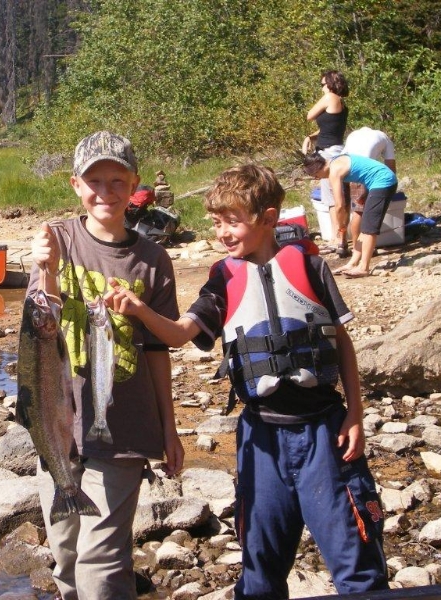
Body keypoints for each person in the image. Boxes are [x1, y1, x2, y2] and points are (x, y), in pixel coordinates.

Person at [105, 164, 388, 600]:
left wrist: (356, 413)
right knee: (259, 571)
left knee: (358, 566)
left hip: (324, 432)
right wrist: (140, 310)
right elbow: (181, 334)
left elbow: (342, 342)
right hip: (262, 438)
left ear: (269, 219)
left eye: (233, 221)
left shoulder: (311, 266)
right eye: (217, 222)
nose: (223, 233)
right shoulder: (224, 278)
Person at [28, 130, 185, 600]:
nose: (106, 192)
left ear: (136, 184)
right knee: (66, 553)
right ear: (76, 184)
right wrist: (46, 268)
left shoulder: (153, 260)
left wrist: (169, 428)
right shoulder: (57, 239)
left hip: (125, 428)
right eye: (95, 181)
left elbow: (159, 350)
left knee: (102, 558)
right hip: (57, 427)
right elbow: (41, 323)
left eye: (117, 180)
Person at [301, 151, 397, 278]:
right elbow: (365, 170)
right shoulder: (335, 161)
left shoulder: (334, 171)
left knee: (369, 229)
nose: (317, 178)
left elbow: (339, 205)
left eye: (316, 175)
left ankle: (364, 267)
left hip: (384, 181)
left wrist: (341, 227)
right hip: (374, 183)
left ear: (319, 168)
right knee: (365, 228)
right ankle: (353, 263)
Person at [341, 127, 397, 272]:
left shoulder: (353, 135)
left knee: (355, 211)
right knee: (362, 214)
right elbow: (391, 167)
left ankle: (354, 252)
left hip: (345, 170)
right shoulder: (384, 138)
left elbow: (344, 156)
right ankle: (360, 253)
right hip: (367, 174)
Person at [306, 70, 350, 256]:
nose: (322, 88)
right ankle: (339, 238)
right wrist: (311, 137)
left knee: (333, 200)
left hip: (328, 154)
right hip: (336, 150)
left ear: (331, 84)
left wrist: (324, 96)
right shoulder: (340, 102)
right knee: (337, 197)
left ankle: (337, 240)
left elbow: (309, 115)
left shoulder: (330, 97)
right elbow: (330, 128)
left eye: (322, 84)